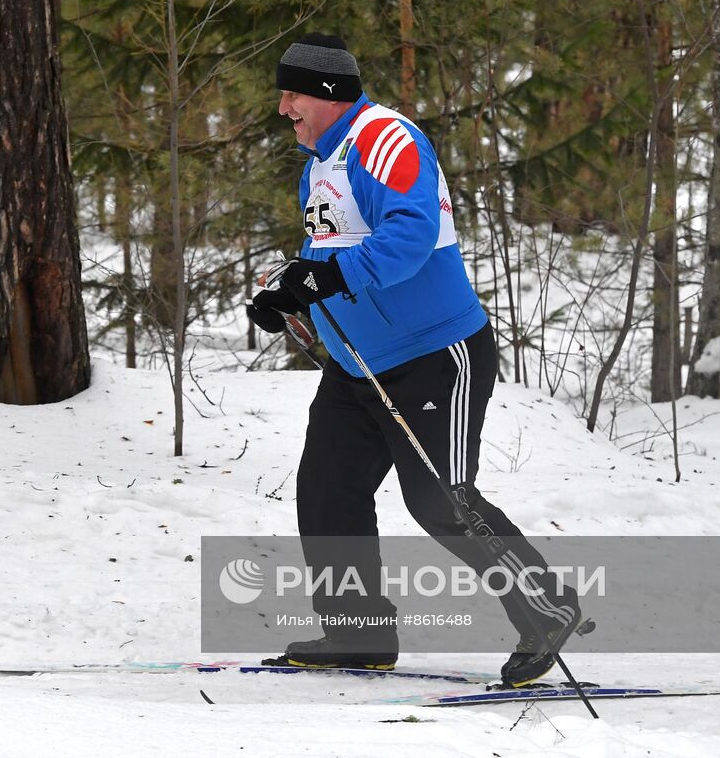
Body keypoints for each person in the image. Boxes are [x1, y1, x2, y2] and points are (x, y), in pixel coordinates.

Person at [248, 33, 586, 687]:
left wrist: (319, 282)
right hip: (358, 368)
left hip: (436, 356)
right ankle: (358, 632)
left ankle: (547, 606)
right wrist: (286, 297)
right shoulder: (320, 163)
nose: (284, 107)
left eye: (291, 94)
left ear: (325, 94)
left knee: (439, 500)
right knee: (327, 491)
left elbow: (409, 238)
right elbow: (332, 260)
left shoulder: (386, 139)